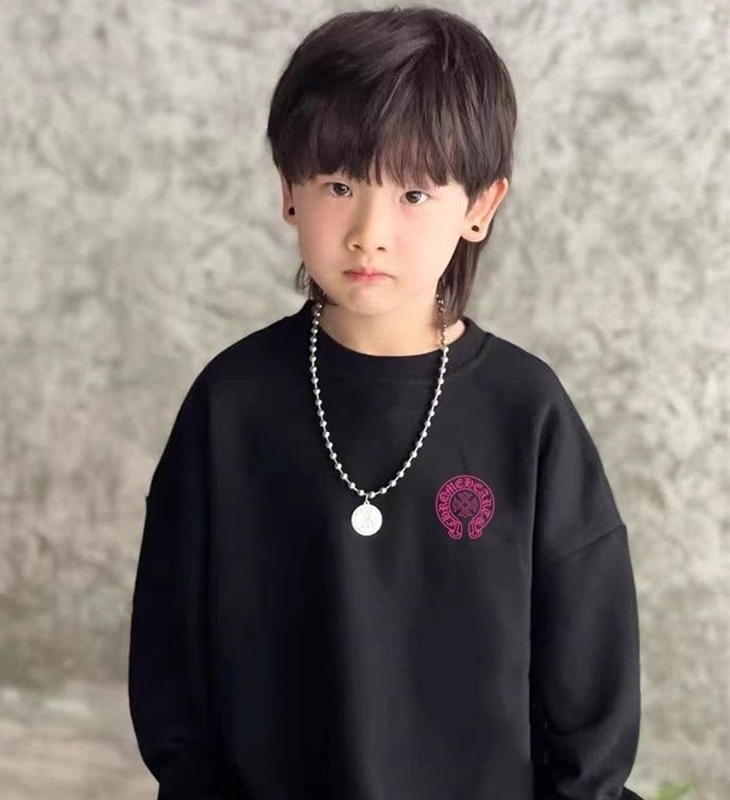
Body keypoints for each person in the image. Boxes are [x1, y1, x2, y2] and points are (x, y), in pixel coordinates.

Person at [128, 7, 644, 799]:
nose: (369, 232)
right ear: (289, 192)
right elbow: (172, 665)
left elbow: (589, 682)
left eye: (414, 193)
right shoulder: (231, 406)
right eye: (339, 185)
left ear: (480, 207)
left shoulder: (526, 412)